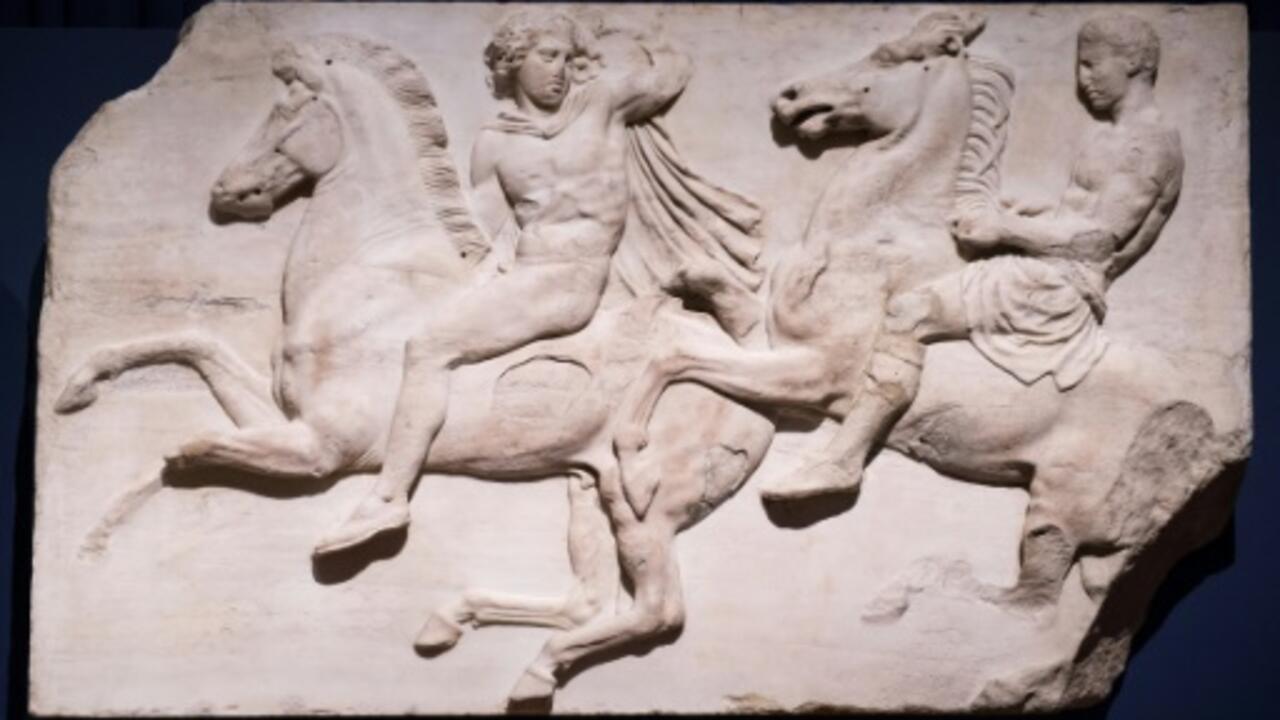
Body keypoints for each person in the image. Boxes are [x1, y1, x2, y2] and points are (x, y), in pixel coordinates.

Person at [311, 11, 696, 554]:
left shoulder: (602, 103)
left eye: (566, 58)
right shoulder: (494, 143)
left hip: (569, 281)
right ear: (514, 63)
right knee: (421, 327)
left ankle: (389, 498)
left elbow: (669, 77)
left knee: (428, 348)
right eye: (547, 56)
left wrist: (643, 30)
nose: (559, 70)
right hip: (525, 273)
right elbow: (484, 233)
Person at [761, 12, 1185, 501]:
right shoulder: (1110, 135)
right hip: (1043, 266)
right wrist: (1029, 213)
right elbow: (1079, 216)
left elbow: (1100, 240)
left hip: (1056, 286)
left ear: (1132, 63)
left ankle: (843, 459)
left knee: (910, 310)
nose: (1082, 78)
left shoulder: (1145, 144)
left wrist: (1004, 228)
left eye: (1093, 65)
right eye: (1079, 65)